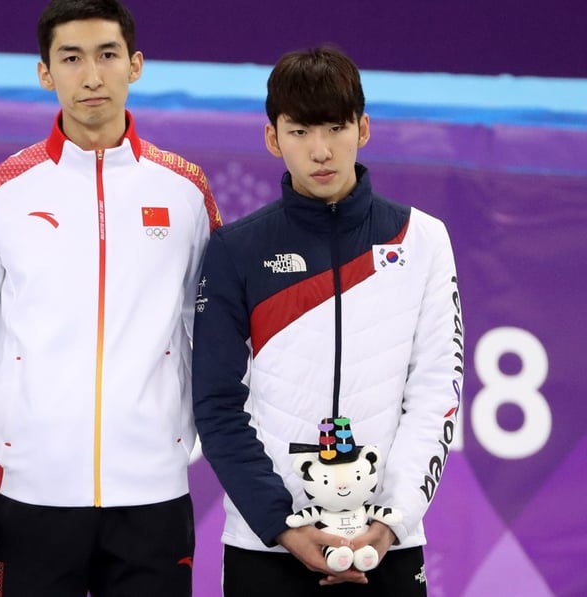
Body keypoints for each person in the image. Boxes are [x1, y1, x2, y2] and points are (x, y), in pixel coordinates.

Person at [0, 1, 222, 595]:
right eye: (71, 58)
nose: (91, 76)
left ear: (135, 65)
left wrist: (171, 430)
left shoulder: (184, 190)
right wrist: (22, 423)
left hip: (153, 492)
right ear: (45, 73)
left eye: (107, 55)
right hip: (32, 490)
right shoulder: (0, 193)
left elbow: (208, 330)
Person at [192, 45, 463, 596]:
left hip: (386, 544)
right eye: (299, 132)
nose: (320, 150)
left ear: (363, 128)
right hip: (266, 545)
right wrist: (282, 526)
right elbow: (217, 404)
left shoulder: (422, 240)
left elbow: (438, 391)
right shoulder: (235, 250)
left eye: (336, 128)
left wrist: (392, 521)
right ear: (273, 139)